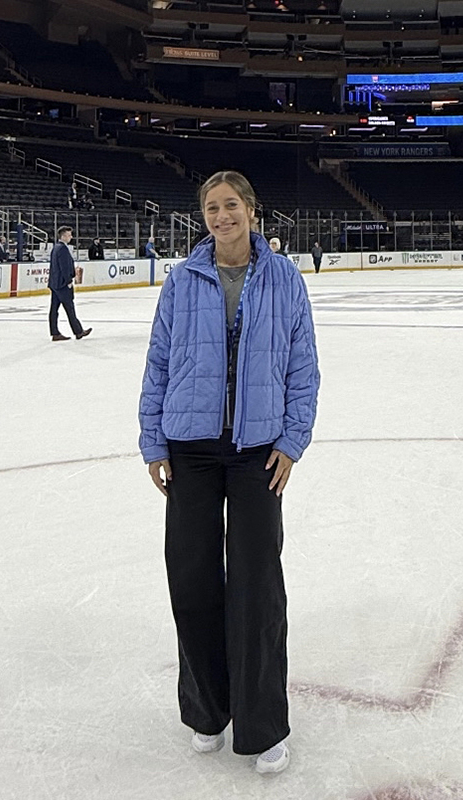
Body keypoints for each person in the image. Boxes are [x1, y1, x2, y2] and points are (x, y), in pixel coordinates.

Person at [138, 170, 319, 776]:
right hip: (189, 447)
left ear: (252, 210)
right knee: (191, 580)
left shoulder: (284, 278)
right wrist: (152, 441)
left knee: (256, 583)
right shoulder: (181, 280)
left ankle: (263, 724)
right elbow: (159, 360)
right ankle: (207, 711)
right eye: (212, 208)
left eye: (231, 205)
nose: (222, 216)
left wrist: (292, 442)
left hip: (257, 452)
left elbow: (303, 366)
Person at [48, 226, 92, 341]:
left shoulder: (56, 247)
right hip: (62, 284)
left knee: (54, 309)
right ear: (63, 236)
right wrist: (68, 280)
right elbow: (64, 267)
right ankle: (78, 331)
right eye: (69, 235)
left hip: (55, 284)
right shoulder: (62, 249)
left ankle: (55, 332)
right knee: (69, 308)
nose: (71, 237)